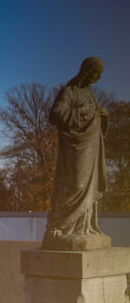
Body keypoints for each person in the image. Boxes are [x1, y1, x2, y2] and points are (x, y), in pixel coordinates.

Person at [45, 56, 108, 247]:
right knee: (76, 185)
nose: (98, 78)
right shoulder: (69, 92)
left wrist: (102, 115)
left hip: (91, 147)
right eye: (96, 73)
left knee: (90, 186)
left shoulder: (90, 93)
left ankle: (84, 228)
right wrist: (82, 113)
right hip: (75, 149)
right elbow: (55, 115)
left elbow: (93, 117)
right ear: (87, 72)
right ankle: (62, 227)